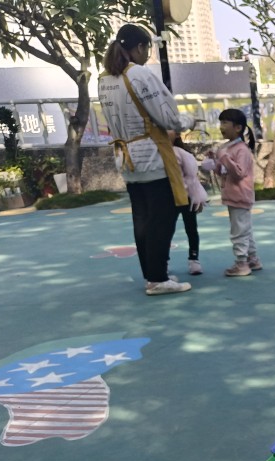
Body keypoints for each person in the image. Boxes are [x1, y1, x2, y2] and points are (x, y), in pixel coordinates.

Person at [98, 23, 198, 295]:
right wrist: (189, 121)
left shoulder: (104, 79)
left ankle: (151, 274)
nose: (147, 54)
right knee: (162, 217)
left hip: (126, 157)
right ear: (140, 47)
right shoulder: (139, 74)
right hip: (152, 155)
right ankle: (158, 277)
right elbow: (168, 117)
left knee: (142, 218)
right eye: (147, 48)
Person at [200, 109, 261, 277]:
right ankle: (253, 259)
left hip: (240, 195)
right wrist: (215, 162)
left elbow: (239, 173)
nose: (221, 126)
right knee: (245, 229)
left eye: (225, 123)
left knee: (239, 231)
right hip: (234, 195)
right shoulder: (229, 147)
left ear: (238, 127)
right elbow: (224, 172)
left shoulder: (241, 149)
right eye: (221, 122)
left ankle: (242, 264)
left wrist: (223, 157)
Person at [170, 131, 209, 274]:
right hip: (167, 198)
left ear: (176, 134)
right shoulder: (158, 153)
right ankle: (163, 261)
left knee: (191, 228)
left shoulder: (182, 153)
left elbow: (192, 178)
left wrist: (197, 197)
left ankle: (194, 259)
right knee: (166, 230)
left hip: (186, 197)